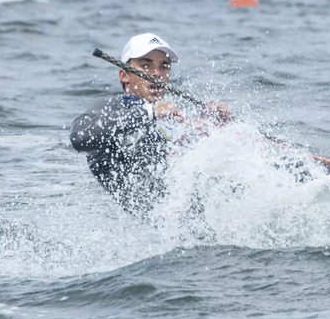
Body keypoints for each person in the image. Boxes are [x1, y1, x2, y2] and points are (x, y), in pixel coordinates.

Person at [69, 33, 230, 214]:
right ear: (124, 75)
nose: (157, 73)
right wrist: (149, 113)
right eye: (146, 65)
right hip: (161, 218)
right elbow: (79, 137)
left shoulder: (170, 115)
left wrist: (217, 126)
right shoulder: (113, 107)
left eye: (164, 67)